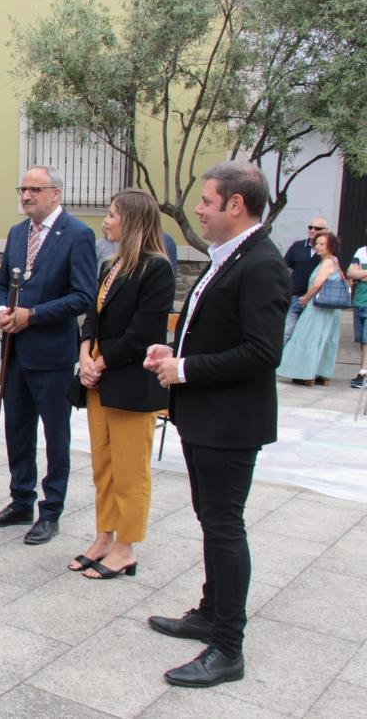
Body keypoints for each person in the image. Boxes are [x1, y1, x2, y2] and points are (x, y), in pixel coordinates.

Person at [143, 160, 289, 688]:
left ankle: (228, 646)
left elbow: (262, 351)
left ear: (235, 204)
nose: (198, 210)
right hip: (207, 418)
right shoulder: (228, 257)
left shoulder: (262, 264)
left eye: (206, 201)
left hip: (231, 424)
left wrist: (184, 368)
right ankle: (210, 611)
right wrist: (174, 349)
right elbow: (218, 330)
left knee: (225, 528)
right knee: (212, 522)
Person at [0, 166, 96, 545]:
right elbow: (1, 286)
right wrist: (0, 313)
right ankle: (20, 500)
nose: (26, 195)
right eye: (23, 189)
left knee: (55, 436)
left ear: (55, 194)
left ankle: (51, 510)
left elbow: (83, 295)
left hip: (52, 355)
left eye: (34, 189)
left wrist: (35, 315)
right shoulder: (17, 233)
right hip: (15, 353)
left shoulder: (77, 235)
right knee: (17, 430)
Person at [72, 189, 175, 579]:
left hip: (130, 385)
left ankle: (126, 547)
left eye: (112, 214)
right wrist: (84, 355)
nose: (106, 220)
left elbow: (143, 333)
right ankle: (103, 536)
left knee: (131, 470)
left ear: (131, 220)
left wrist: (99, 362)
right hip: (99, 380)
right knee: (104, 466)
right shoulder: (109, 266)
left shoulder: (157, 269)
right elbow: (92, 318)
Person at [277, 230, 344, 385]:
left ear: (331, 246)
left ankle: (306, 373)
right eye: (317, 244)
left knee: (307, 336)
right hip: (327, 308)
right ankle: (320, 373)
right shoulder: (332, 261)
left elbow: (317, 283)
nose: (318, 247)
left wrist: (306, 298)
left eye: (322, 244)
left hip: (318, 308)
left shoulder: (327, 262)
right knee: (323, 340)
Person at [282, 216, 328, 343]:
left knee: (309, 335)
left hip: (317, 300)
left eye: (317, 228)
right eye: (310, 227)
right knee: (287, 332)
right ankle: (281, 361)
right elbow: (286, 268)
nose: (312, 230)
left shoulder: (329, 252)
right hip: (296, 296)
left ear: (325, 231)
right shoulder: (297, 246)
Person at [350, 235, 367, 388]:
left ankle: (363, 373)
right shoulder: (361, 252)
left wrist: (360, 275)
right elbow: (350, 273)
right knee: (362, 340)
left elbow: (356, 274)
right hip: (359, 302)